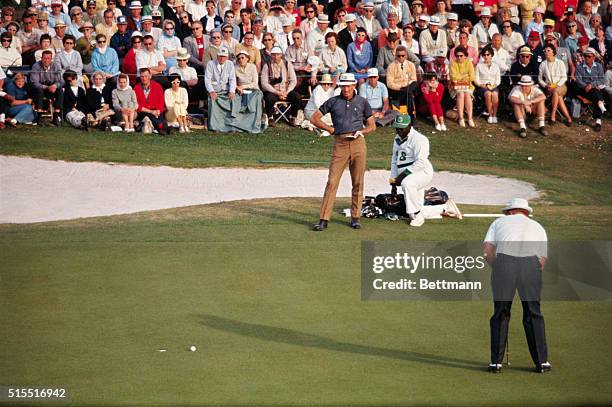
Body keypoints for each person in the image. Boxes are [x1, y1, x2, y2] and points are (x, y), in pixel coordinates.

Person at [483, 197, 551, 374]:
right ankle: (542, 362)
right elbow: (542, 260)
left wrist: (498, 268)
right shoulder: (538, 227)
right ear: (526, 212)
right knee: (533, 312)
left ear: (511, 211)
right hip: (531, 265)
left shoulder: (499, 222)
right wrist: (532, 273)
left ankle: (495, 363)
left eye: (507, 211)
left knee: (501, 312)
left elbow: (488, 251)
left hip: (505, 263)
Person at [311, 72, 376, 231]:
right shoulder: (333, 101)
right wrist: (330, 129)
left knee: (358, 182)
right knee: (332, 181)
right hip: (340, 143)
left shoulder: (362, 102)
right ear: (340, 86)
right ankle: (323, 219)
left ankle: (356, 217)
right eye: (343, 86)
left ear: (354, 86)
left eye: (348, 85)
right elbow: (314, 118)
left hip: (358, 143)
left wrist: (362, 132)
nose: (346, 89)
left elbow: (372, 125)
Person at [388, 114, 434, 227]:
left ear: (409, 126)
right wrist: (393, 181)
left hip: (422, 172)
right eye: (397, 127)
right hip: (407, 174)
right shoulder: (397, 139)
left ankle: (418, 216)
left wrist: (402, 176)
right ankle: (445, 207)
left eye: (401, 127)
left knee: (407, 183)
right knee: (416, 206)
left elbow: (421, 163)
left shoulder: (420, 139)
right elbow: (395, 160)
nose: (398, 130)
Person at [260, 46, 302, 126]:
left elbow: (293, 80)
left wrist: (287, 92)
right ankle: (270, 117)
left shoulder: (287, 64)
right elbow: (264, 83)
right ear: (271, 55)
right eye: (273, 55)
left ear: (281, 55)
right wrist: (277, 92)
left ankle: (293, 116)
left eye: (277, 55)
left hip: (285, 90)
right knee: (269, 98)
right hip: (273, 91)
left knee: (296, 97)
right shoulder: (267, 66)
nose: (275, 57)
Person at [538, 44, 572, 126]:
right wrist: (546, 85)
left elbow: (564, 77)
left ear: (553, 52)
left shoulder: (560, 63)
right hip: (549, 87)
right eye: (545, 51)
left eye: (548, 51)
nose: (546, 52)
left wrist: (556, 85)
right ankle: (569, 118)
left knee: (556, 91)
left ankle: (553, 116)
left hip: (561, 86)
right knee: (558, 97)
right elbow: (539, 79)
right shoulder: (543, 64)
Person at [575, 47, 607, 132]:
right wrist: (586, 86)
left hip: (595, 90)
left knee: (596, 92)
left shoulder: (599, 66)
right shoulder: (579, 67)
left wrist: (592, 85)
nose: (587, 58)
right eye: (585, 56)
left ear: (594, 57)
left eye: (589, 56)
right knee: (597, 94)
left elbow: (602, 80)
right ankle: (600, 113)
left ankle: (598, 120)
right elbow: (578, 80)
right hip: (584, 90)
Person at [30, 50, 64, 125]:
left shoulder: (56, 66)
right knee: (39, 90)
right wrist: (46, 87)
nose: (46, 60)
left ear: (51, 59)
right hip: (40, 87)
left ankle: (56, 115)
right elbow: (34, 82)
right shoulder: (36, 66)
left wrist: (54, 86)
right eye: (44, 58)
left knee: (60, 90)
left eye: (48, 58)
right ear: (41, 58)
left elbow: (61, 81)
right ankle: (39, 115)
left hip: (52, 87)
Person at [386, 45, 418, 116]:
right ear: (396, 56)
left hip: (408, 87)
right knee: (409, 94)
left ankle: (410, 115)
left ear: (406, 56)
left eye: (402, 55)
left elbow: (413, 79)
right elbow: (389, 83)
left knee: (414, 85)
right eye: (399, 56)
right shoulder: (391, 66)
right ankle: (411, 117)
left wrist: (406, 87)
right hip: (397, 90)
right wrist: (401, 87)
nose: (400, 57)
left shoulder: (411, 65)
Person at [134, 67, 167, 134]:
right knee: (151, 116)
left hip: (156, 110)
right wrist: (151, 111)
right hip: (143, 111)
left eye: (146, 76)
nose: (144, 78)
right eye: (142, 76)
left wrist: (157, 111)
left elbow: (161, 103)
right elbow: (136, 105)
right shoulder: (136, 88)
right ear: (140, 77)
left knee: (156, 116)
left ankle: (145, 125)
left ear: (150, 76)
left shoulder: (158, 86)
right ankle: (160, 128)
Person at [450, 45, 475, 127]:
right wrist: (464, 76)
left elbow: (472, 77)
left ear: (465, 56)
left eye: (461, 56)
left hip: (468, 86)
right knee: (461, 94)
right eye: (457, 56)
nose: (459, 57)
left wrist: (460, 77)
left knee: (467, 94)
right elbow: (453, 77)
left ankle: (470, 118)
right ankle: (461, 118)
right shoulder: (453, 63)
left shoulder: (469, 63)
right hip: (455, 86)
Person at [475, 46, 501, 124]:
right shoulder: (479, 65)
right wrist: (481, 85)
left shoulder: (496, 66)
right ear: (482, 56)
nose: (486, 56)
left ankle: (494, 115)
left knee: (495, 94)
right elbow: (476, 79)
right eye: (484, 55)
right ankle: (490, 115)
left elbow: (498, 79)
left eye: (488, 54)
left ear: (491, 55)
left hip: (493, 85)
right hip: (483, 86)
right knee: (488, 94)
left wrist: (494, 85)